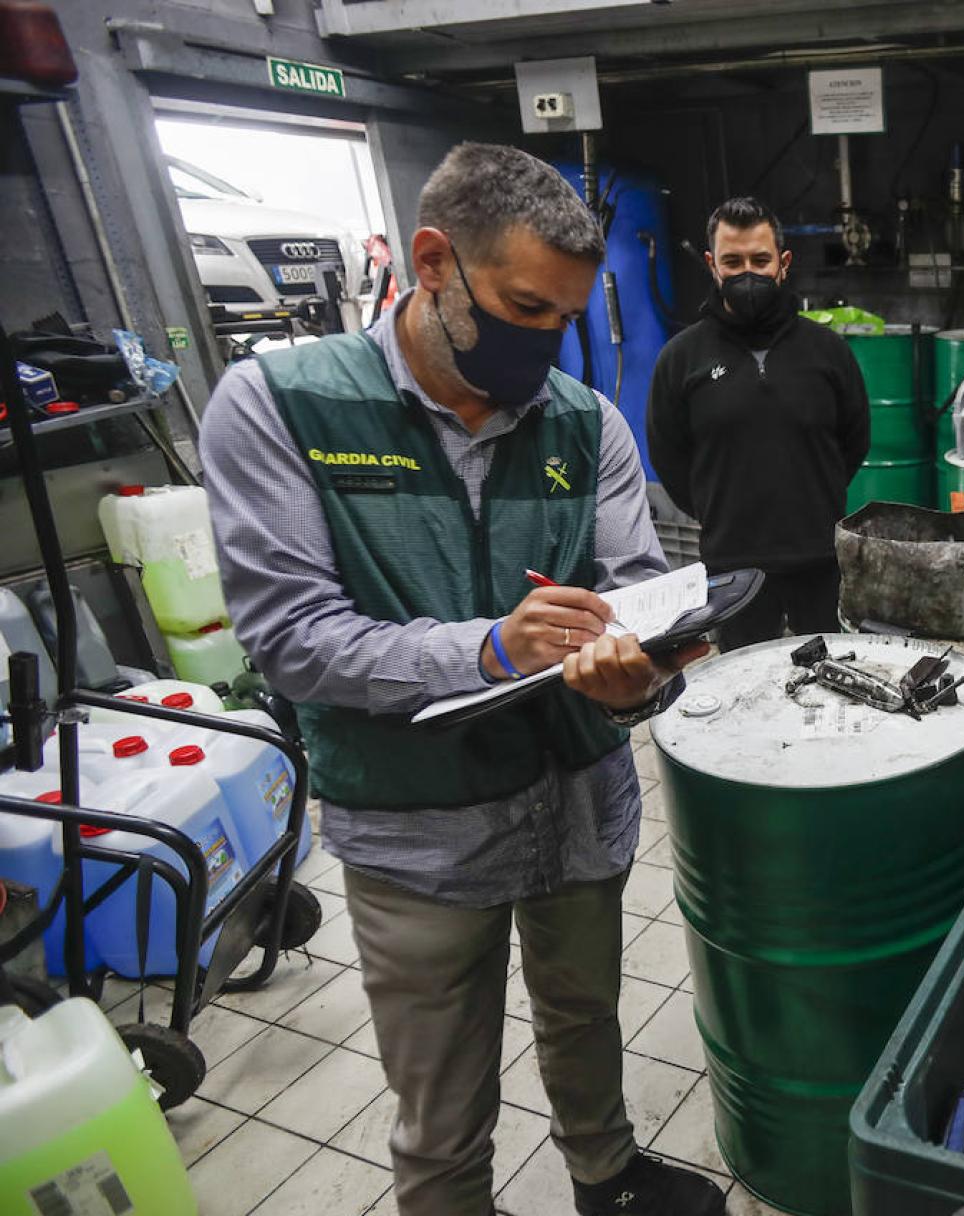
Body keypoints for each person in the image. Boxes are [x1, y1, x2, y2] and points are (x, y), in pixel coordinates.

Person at [199, 143, 724, 1216]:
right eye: (525, 308)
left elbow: (632, 591)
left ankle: (606, 1174)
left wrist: (641, 675)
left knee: (585, 1013)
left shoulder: (586, 421)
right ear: (432, 262)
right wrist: (492, 647)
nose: (547, 342)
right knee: (441, 1092)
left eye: (566, 318)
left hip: (577, 802)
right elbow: (294, 639)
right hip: (417, 828)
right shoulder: (282, 407)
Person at [647, 196, 870, 649]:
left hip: (821, 562)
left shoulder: (828, 351)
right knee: (745, 699)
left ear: (783, 263)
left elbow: (853, 442)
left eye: (760, 260)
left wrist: (812, 496)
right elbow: (670, 459)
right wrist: (721, 510)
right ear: (712, 265)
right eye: (733, 261)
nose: (747, 273)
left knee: (832, 693)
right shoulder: (680, 359)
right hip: (733, 570)